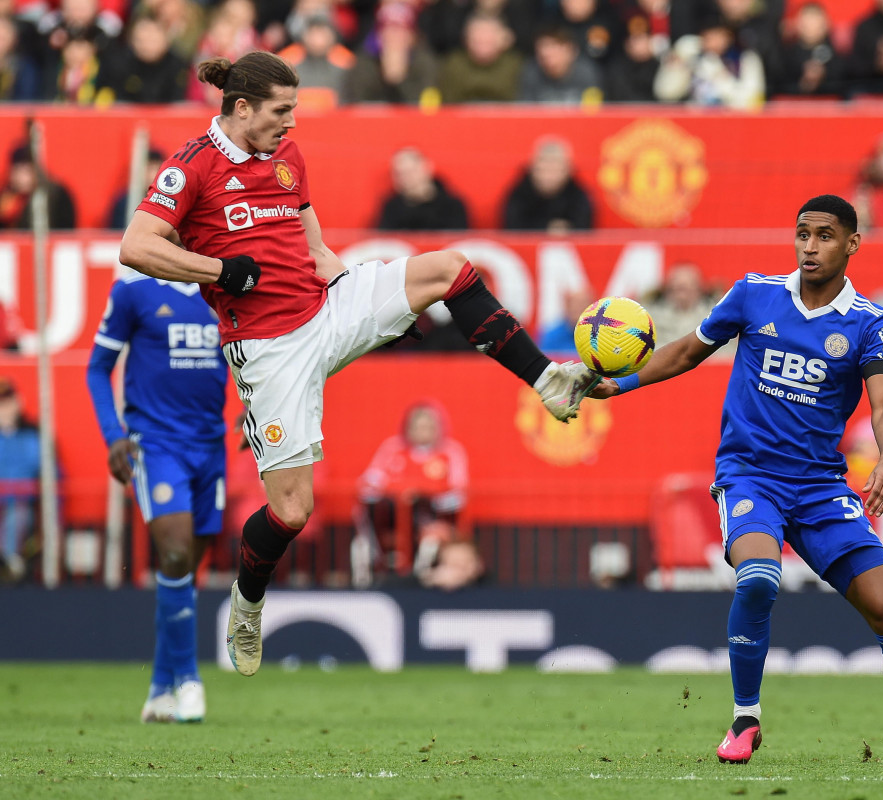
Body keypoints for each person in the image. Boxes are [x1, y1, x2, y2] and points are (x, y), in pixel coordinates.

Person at [117, 51, 596, 678]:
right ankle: (247, 600)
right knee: (291, 511)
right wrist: (219, 270)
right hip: (268, 349)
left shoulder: (288, 157)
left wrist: (367, 310)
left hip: (327, 307)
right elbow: (136, 246)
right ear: (240, 108)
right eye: (281, 110)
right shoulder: (192, 168)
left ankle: (549, 381)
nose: (292, 122)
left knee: (448, 268)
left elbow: (313, 244)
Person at [588, 194, 883, 767]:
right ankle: (745, 721)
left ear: (852, 244)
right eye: (802, 233)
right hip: (751, 475)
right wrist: (617, 386)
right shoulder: (754, 294)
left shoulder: (867, 323)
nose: (810, 245)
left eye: (825, 235)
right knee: (759, 578)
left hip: (821, 487)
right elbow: (684, 352)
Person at [86, 271, 227, 723]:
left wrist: (254, 408)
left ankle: (159, 689)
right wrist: (113, 435)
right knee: (174, 555)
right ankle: (189, 680)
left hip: (211, 446)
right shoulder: (134, 290)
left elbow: (250, 358)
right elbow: (97, 367)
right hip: (156, 444)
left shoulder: (223, 288)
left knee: (184, 573)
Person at [354, 400, 469, 578]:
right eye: (418, 426)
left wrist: (427, 495)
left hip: (430, 514)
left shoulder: (451, 452)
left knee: (417, 504)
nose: (423, 431)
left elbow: (459, 495)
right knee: (374, 508)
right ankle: (380, 561)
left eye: (428, 427)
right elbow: (370, 482)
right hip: (392, 513)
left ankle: (415, 573)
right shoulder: (392, 449)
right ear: (408, 428)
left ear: (438, 428)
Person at [502, 136, 594, 232]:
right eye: (544, 168)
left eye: (555, 169)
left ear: (568, 171)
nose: (549, 176)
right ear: (533, 168)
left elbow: (585, 228)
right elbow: (512, 228)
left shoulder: (578, 196)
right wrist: (546, 228)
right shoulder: (519, 194)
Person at [0, 378, 41, 583]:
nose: (4, 408)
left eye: (8, 401)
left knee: (18, 515)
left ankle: (7, 564)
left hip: (23, 504)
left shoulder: (34, 434)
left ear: (18, 402)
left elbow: (50, 472)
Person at [761, 1, 846, 99]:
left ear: (826, 24)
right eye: (807, 21)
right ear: (798, 24)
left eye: (815, 21)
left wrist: (822, 79)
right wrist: (803, 85)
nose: (811, 26)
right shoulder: (786, 57)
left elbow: (846, 88)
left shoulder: (837, 58)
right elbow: (777, 88)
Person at [376, 147, 469, 231]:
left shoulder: (452, 205)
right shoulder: (391, 208)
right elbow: (385, 242)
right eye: (399, 173)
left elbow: (458, 242)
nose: (406, 178)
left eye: (411, 171)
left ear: (427, 168)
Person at [518, 24, 601, 104]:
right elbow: (525, 110)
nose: (546, 53)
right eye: (542, 49)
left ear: (571, 50)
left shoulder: (586, 72)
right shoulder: (532, 72)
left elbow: (595, 111)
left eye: (553, 48)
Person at [0, 143, 77, 230]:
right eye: (17, 170)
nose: (21, 177)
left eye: (26, 171)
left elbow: (66, 230)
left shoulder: (56, 195)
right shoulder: (6, 198)